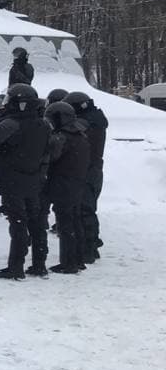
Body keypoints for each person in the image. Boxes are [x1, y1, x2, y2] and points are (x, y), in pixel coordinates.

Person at [0, 84, 52, 280]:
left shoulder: (11, 124)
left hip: (13, 179)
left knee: (18, 224)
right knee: (36, 222)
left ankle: (16, 266)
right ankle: (39, 263)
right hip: (34, 178)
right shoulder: (43, 124)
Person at [43, 101, 91, 275]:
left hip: (63, 183)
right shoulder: (81, 135)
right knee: (75, 222)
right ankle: (78, 259)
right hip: (76, 183)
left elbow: (52, 157)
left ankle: (68, 263)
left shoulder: (62, 136)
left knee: (65, 224)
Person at [66, 91, 107, 264]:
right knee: (86, 209)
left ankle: (89, 248)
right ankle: (90, 245)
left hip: (87, 170)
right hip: (92, 169)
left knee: (85, 210)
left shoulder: (87, 123)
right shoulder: (93, 120)